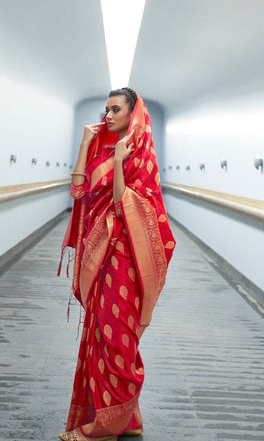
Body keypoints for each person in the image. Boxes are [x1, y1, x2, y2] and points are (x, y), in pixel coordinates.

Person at [58, 88, 176, 441]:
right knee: (101, 335)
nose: (108, 116)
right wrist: (84, 145)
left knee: (117, 337)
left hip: (125, 256)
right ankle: (129, 418)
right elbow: (79, 192)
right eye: (106, 109)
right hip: (102, 255)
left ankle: (106, 426)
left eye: (115, 110)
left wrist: (121, 162)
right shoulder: (101, 150)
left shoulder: (140, 154)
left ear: (132, 114)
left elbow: (127, 203)